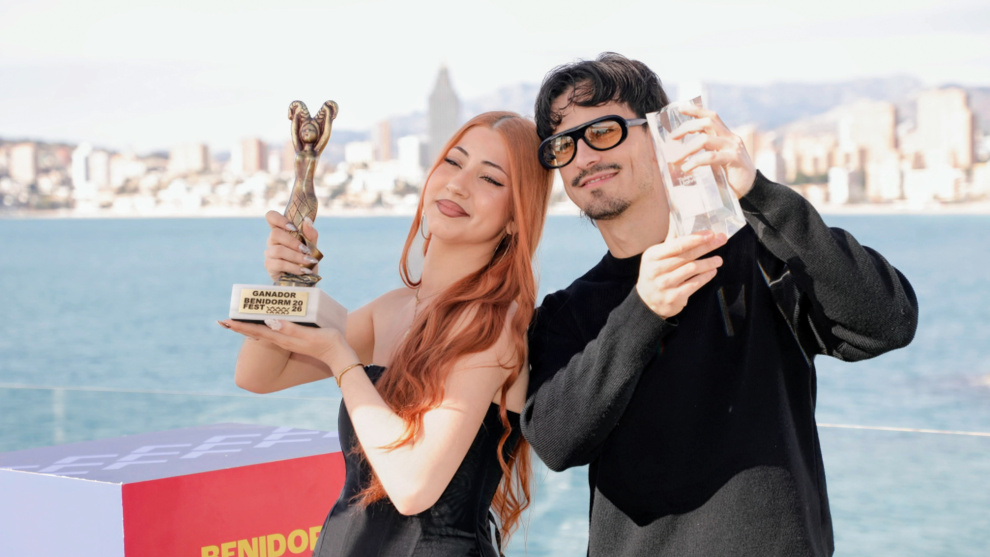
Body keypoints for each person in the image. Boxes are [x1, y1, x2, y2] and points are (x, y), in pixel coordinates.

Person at [520, 52, 919, 556]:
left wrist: (759, 193)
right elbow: (556, 442)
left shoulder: (760, 254)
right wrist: (644, 310)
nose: (583, 157)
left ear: (661, 135)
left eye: (602, 132)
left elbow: (887, 321)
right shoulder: (566, 312)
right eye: (563, 144)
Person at [219, 111, 553, 556]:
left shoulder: (492, 327)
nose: (458, 184)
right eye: (453, 162)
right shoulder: (391, 310)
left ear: (516, 217)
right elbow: (258, 375)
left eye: (490, 179)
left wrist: (343, 362)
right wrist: (289, 282)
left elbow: (413, 488)